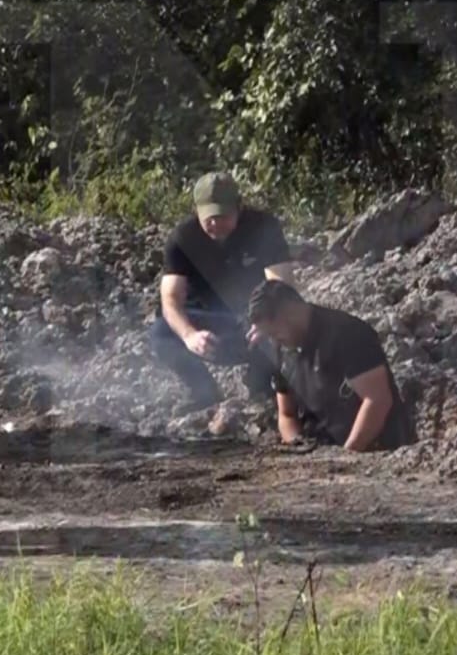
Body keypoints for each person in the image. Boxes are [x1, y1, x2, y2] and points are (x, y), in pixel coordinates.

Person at [150, 172, 298, 411]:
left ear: (239, 207)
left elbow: (282, 285)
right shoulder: (183, 238)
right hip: (208, 323)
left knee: (287, 323)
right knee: (161, 333)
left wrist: (266, 321)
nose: (215, 224)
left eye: (223, 216)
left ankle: (264, 387)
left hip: (253, 320)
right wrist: (189, 335)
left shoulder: (263, 227)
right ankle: (206, 395)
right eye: (208, 218)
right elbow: (170, 299)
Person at [246, 279, 414, 452]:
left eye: (274, 332)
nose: (274, 340)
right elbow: (286, 414)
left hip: (372, 451)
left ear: (291, 312)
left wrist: (347, 457)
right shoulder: (282, 347)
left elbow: (378, 400)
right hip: (319, 454)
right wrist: (298, 446)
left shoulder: (347, 334)